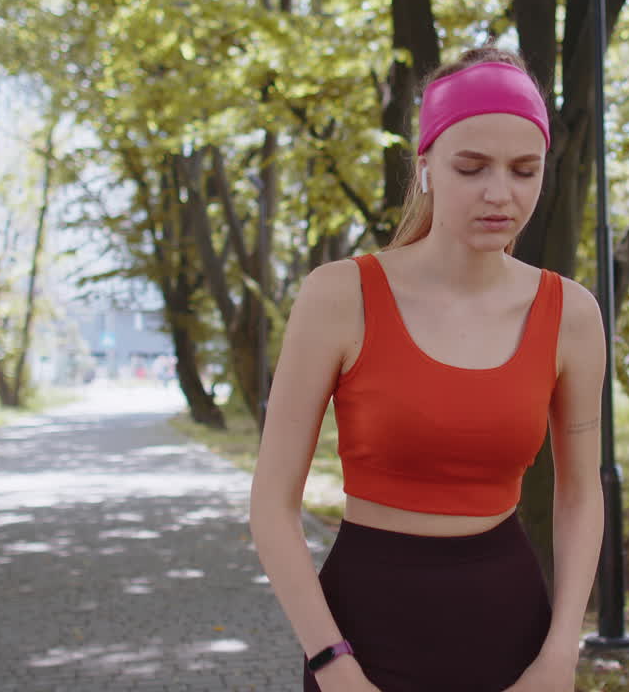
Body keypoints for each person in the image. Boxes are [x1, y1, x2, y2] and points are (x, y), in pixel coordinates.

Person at [248, 46, 607, 692]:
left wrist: (560, 655)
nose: (500, 193)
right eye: (471, 167)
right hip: (362, 638)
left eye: (524, 170)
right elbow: (272, 506)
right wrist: (333, 665)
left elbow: (581, 494)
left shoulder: (571, 314)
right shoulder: (339, 297)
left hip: (513, 635)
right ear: (426, 167)